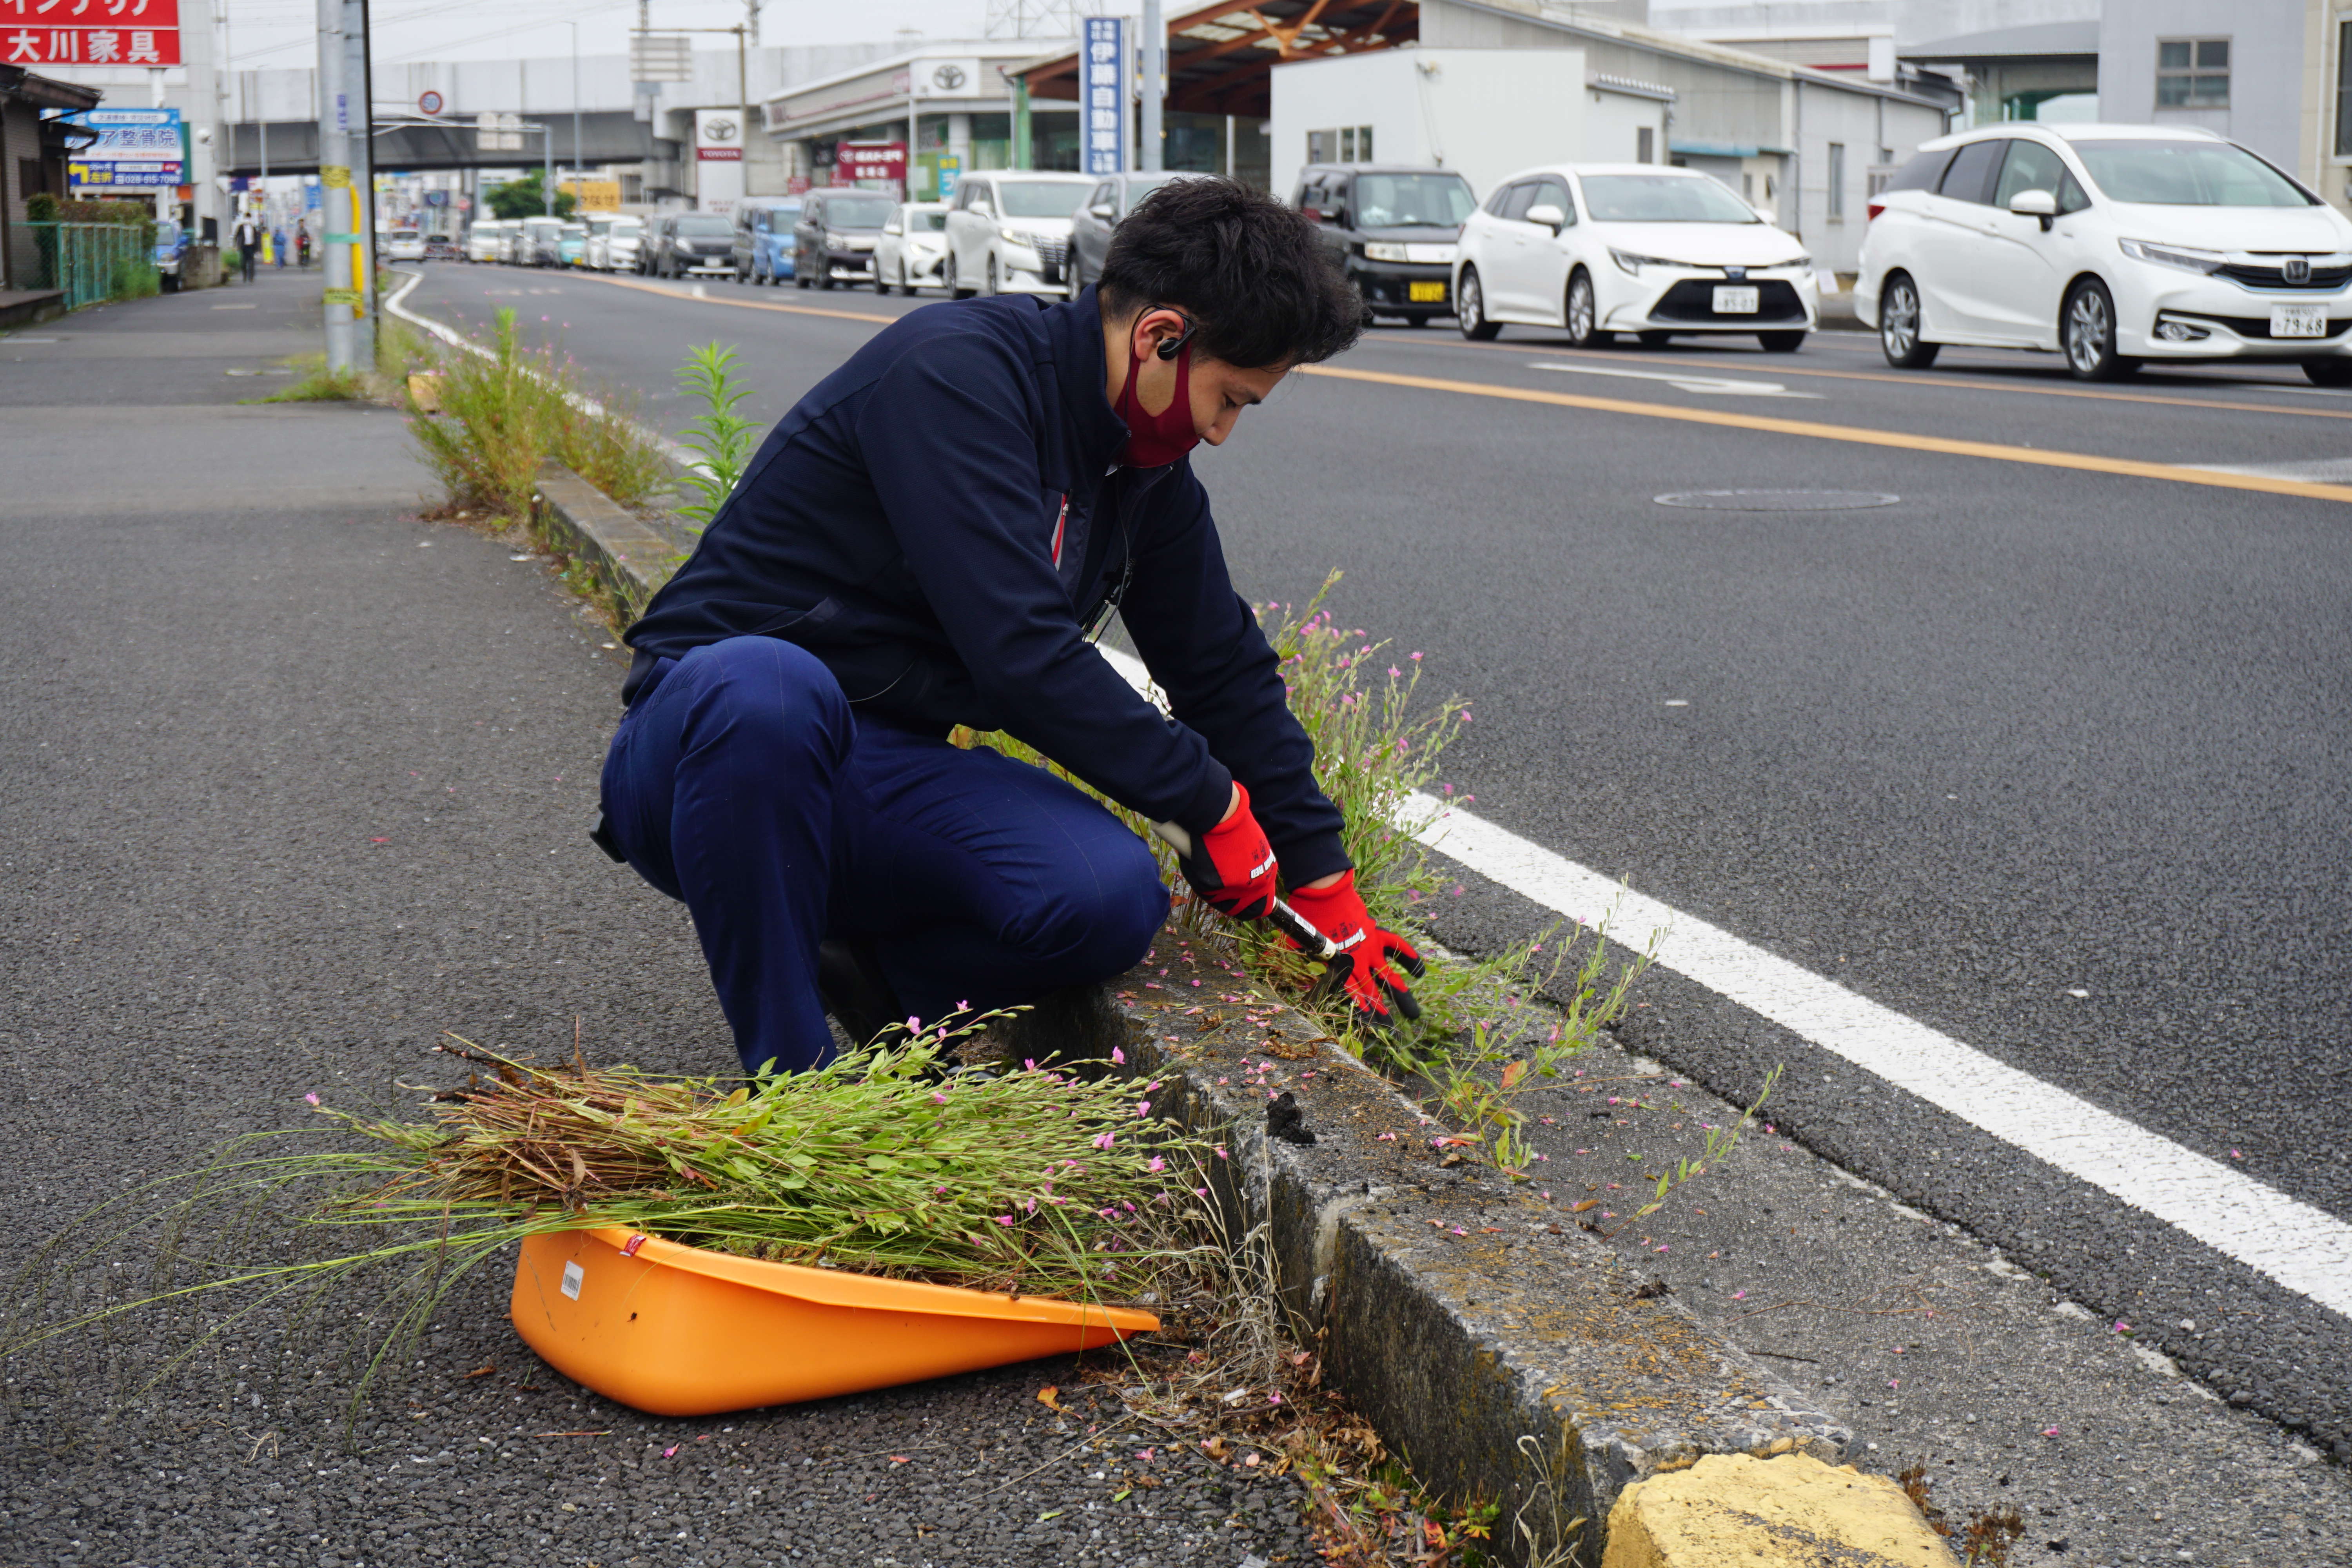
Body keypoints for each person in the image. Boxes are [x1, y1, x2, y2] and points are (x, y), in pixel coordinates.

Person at [599, 179, 1424, 1077]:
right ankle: (793, 1095)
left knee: (1104, 895)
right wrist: (1208, 800)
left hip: (873, 768)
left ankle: (877, 981)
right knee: (769, 686)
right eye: (1231, 398)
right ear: (1161, 337)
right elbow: (1020, 650)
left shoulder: (1143, 475)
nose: (1223, 431)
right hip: (704, 752)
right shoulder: (957, 375)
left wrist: (1320, 873)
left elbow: (1221, 670)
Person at [231, 212, 260, 283]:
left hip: (251, 247)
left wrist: (257, 248)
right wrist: (235, 245)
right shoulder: (241, 227)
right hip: (243, 247)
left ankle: (251, 278)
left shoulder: (253, 228)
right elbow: (236, 236)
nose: (248, 220)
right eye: (247, 218)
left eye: (249, 218)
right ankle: (245, 275)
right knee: (243, 263)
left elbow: (256, 238)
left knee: (251, 263)